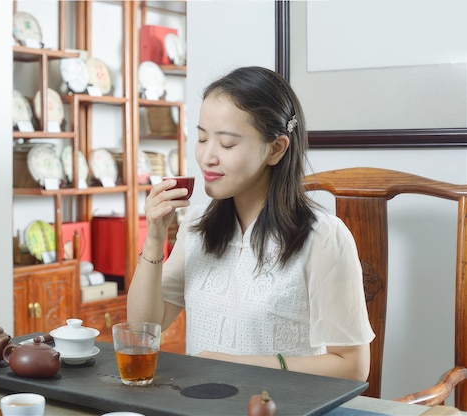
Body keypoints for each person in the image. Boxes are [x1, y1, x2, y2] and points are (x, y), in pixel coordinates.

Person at [127, 66, 375, 382]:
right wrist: (153, 238)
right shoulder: (196, 225)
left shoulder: (323, 237)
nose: (206, 157)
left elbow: (352, 367)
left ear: (276, 148)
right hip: (203, 405)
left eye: (227, 144)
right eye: (202, 138)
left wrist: (235, 365)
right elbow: (143, 328)